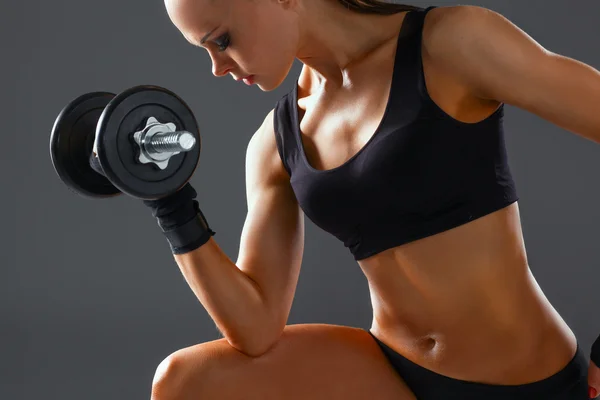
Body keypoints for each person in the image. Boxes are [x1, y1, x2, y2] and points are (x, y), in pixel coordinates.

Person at [142, 0, 600, 399]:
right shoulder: (275, 143)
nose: (218, 66)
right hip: (396, 374)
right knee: (184, 382)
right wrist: (170, 201)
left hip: (530, 381)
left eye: (221, 40)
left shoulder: (449, 44)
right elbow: (256, 328)